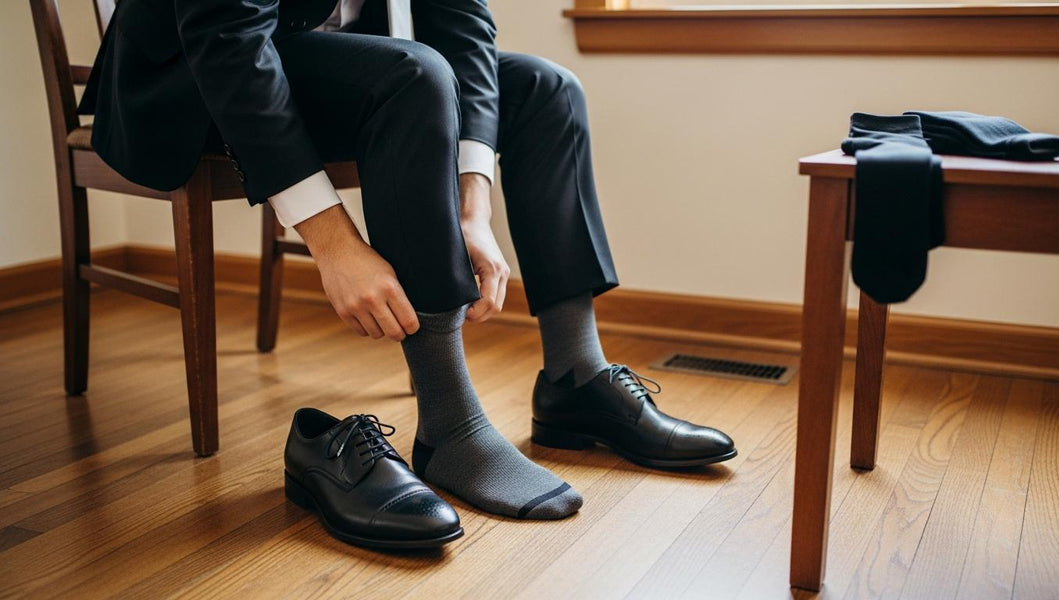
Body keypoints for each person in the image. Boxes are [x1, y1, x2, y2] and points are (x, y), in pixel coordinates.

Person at [79, 0, 736, 548]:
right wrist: (332, 242)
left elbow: (464, 27)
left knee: (545, 88)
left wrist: (473, 207)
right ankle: (450, 426)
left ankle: (576, 379)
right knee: (412, 75)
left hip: (323, 57)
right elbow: (225, 38)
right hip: (188, 77)